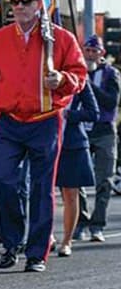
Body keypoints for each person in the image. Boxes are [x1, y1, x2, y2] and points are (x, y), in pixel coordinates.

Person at [0, 0, 87, 273]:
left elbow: (79, 75)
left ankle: (37, 252)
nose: (20, 7)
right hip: (10, 121)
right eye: (16, 2)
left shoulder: (60, 39)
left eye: (27, 2)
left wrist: (61, 80)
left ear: (40, 5)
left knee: (42, 187)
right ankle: (12, 239)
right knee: (1, 179)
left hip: (45, 120)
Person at [80, 35, 118, 241]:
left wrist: (88, 85)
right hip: (82, 131)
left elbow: (111, 102)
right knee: (76, 180)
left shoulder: (111, 74)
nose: (91, 54)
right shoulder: (76, 72)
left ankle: (98, 224)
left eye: (95, 51)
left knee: (104, 180)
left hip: (104, 131)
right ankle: (81, 220)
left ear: (102, 53)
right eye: (87, 50)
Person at [57, 80, 98, 258]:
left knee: (70, 193)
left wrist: (68, 114)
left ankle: (67, 240)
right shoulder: (40, 74)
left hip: (72, 143)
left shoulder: (80, 81)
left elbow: (93, 113)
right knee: (41, 191)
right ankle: (45, 236)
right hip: (43, 141)